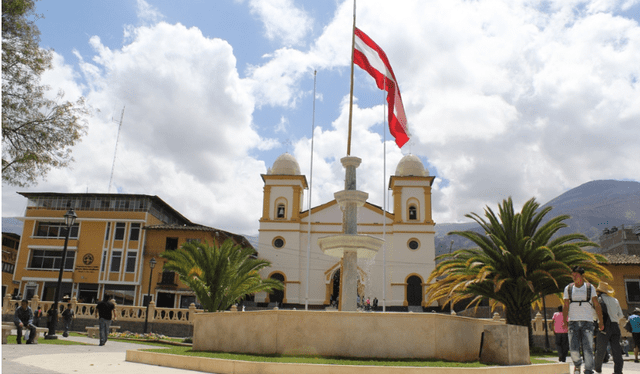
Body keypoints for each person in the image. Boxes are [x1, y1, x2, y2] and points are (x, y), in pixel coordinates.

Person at [563, 266, 604, 374]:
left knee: (588, 348)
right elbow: (566, 305)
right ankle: (577, 365)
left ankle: (589, 370)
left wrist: (601, 321)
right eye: (573, 275)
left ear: (582, 276)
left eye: (576, 275)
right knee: (573, 348)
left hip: (588, 322)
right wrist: (564, 321)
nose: (574, 277)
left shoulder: (590, 288)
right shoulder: (568, 288)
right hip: (573, 322)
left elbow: (596, 304)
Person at [593, 282, 624, 374]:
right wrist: (614, 320)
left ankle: (597, 369)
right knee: (616, 349)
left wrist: (597, 321)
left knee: (600, 349)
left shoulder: (598, 300)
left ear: (598, 291)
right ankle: (618, 371)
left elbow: (594, 314)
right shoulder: (615, 300)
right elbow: (621, 315)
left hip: (604, 325)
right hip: (615, 325)